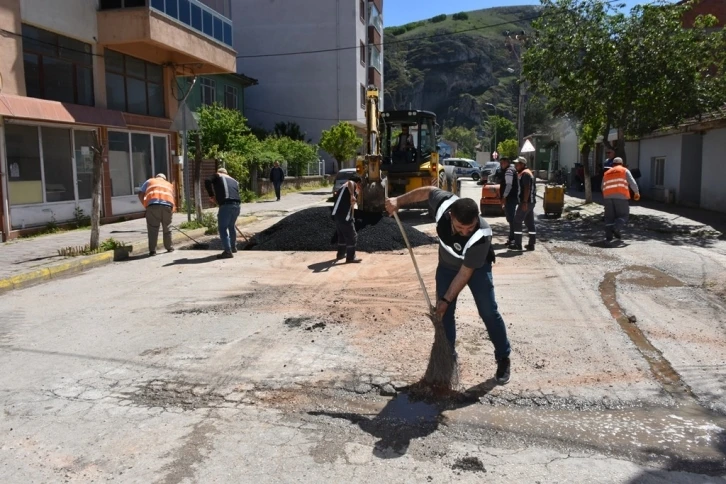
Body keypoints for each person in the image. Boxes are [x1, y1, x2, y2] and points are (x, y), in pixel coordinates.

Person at [385, 186, 512, 384]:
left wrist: (445, 299)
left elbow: (464, 273)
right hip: (446, 266)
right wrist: (398, 201)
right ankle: (447, 356)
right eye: (460, 228)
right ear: (451, 215)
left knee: (488, 310)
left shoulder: (482, 234)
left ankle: (503, 356)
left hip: (476, 268)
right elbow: (427, 191)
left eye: (469, 228)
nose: (465, 232)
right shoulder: (444, 204)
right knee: (444, 316)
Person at [204, 168, 241, 259]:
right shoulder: (234, 180)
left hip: (226, 205)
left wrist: (211, 195)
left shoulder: (218, 175)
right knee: (231, 226)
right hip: (237, 205)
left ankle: (228, 252)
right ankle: (233, 247)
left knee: (222, 228)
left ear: (219, 172)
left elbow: (207, 181)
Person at [602, 157, 640, 243]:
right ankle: (616, 228)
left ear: (613, 164)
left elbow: (602, 186)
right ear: (621, 164)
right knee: (624, 215)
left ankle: (609, 237)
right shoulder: (624, 170)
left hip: (607, 197)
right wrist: (636, 192)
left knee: (609, 217)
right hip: (621, 197)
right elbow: (632, 182)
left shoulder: (607, 173)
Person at [138, 173, 175, 256]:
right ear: (164, 179)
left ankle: (152, 251)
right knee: (167, 227)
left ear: (157, 177)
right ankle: (169, 247)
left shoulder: (150, 181)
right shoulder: (169, 184)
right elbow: (172, 197)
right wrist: (172, 210)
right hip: (167, 207)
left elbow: (140, 194)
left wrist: (145, 205)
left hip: (153, 206)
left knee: (153, 229)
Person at [331, 174, 363, 263]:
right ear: (358, 182)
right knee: (352, 236)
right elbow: (351, 182)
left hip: (337, 214)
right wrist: (353, 195)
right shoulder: (350, 184)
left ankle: (341, 254)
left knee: (342, 235)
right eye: (360, 184)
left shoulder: (343, 187)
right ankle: (351, 257)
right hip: (344, 215)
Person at [511, 156, 536, 251]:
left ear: (522, 164)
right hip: (531, 202)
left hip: (526, 202)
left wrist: (524, 201)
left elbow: (527, 188)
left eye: (517, 164)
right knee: (530, 223)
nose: (515, 165)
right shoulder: (526, 173)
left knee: (517, 221)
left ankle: (518, 244)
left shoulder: (525, 174)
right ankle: (531, 244)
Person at [497, 157, 519, 246]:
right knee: (511, 218)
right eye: (500, 163)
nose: (501, 165)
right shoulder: (512, 170)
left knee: (511, 218)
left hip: (510, 198)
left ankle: (512, 238)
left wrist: (504, 197)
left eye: (502, 163)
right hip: (512, 197)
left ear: (507, 162)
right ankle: (512, 237)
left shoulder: (509, 171)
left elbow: (509, 185)